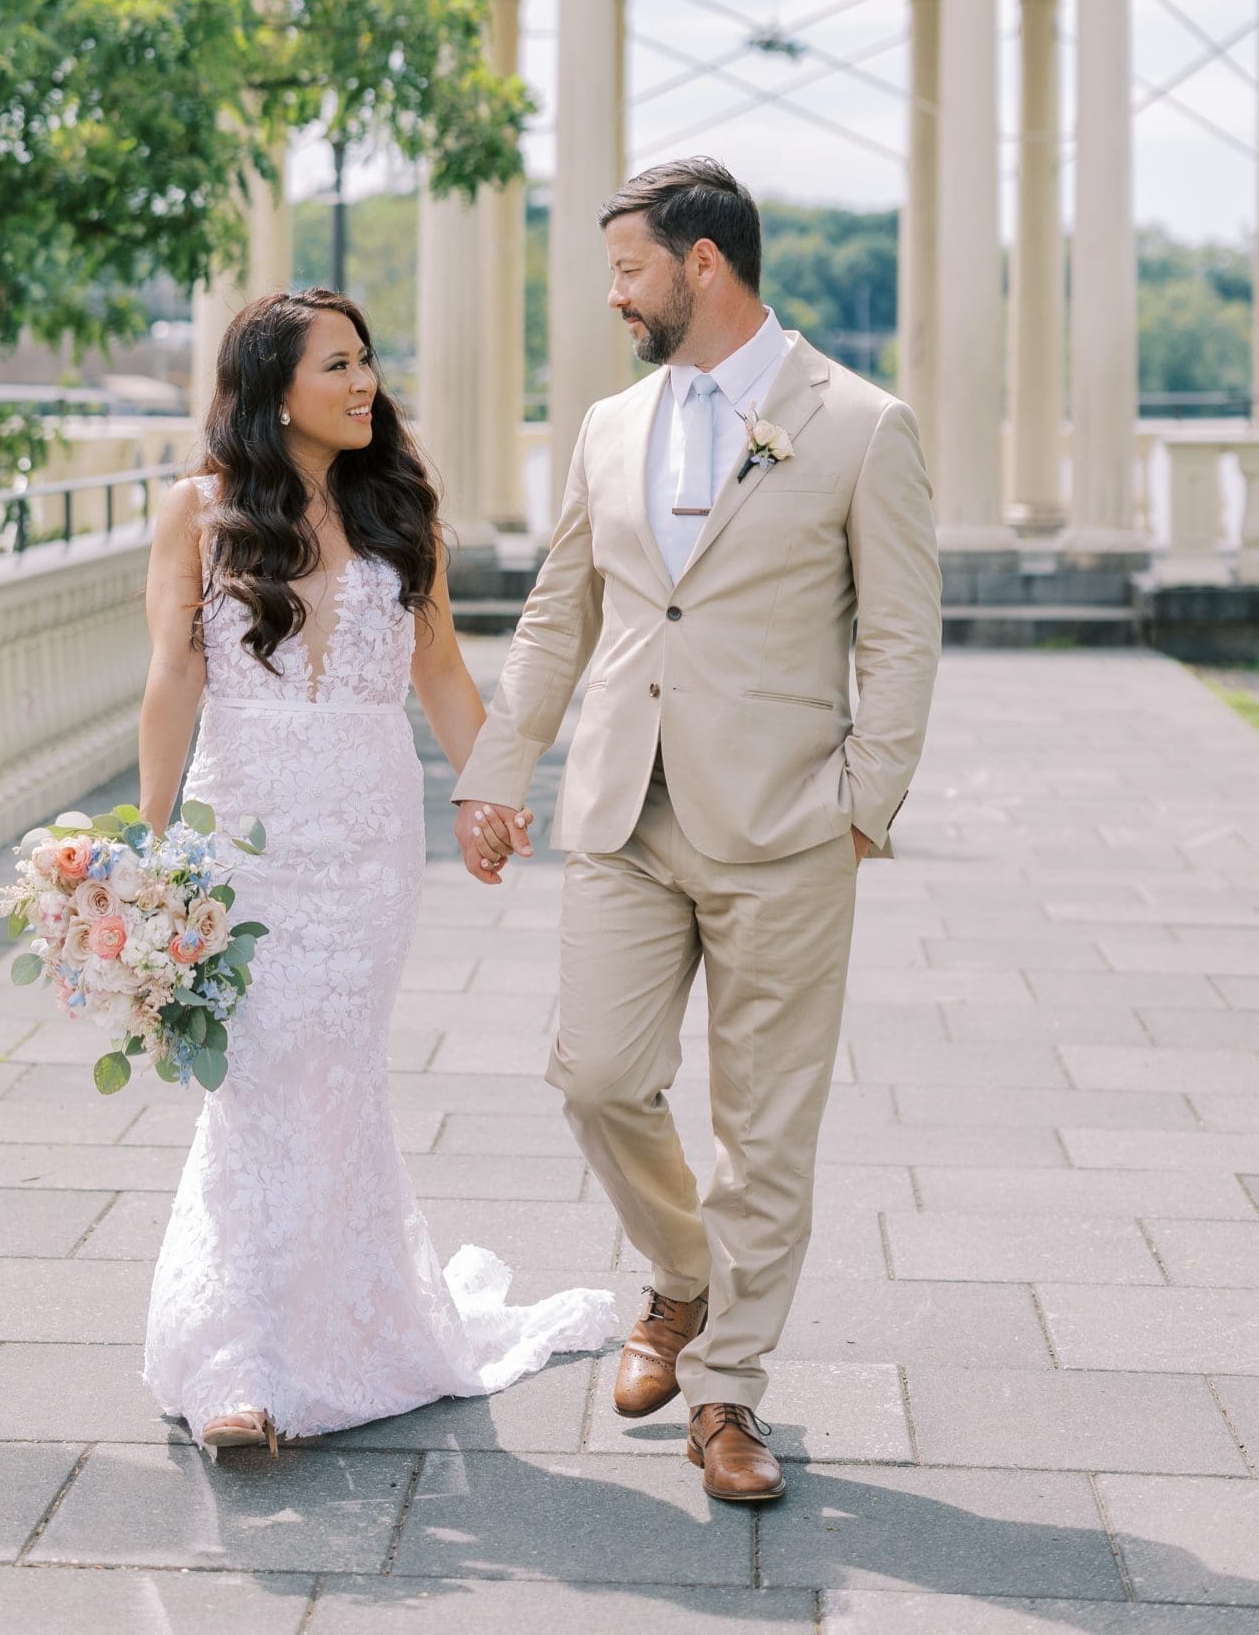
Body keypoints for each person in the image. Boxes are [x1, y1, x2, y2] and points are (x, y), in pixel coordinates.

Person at [454, 159, 940, 1505]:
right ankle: (680, 1277)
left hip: (784, 827)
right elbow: (566, 612)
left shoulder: (858, 423)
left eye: (627, 269)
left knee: (766, 1129)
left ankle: (728, 1394)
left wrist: (864, 805)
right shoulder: (609, 428)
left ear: (702, 264)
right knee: (596, 1074)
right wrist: (499, 771)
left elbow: (900, 633)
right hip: (621, 808)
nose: (614, 294)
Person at [138, 286, 614, 1454]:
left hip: (363, 842)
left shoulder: (400, 507)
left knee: (333, 1073)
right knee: (252, 1082)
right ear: (269, 388)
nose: (361, 384)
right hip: (237, 837)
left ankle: (341, 1331)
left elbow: (443, 670)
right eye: (334, 365)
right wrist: (145, 855)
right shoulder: (196, 514)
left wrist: (490, 787)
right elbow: (171, 681)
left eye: (365, 363)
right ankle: (238, 1365)